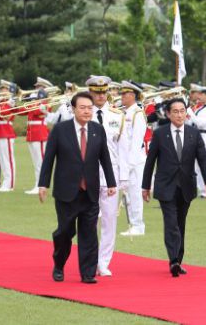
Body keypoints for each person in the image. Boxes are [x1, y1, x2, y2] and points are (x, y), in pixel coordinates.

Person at [38, 91, 117, 284]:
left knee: (89, 232)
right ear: (73, 109)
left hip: (90, 191)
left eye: (90, 108)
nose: (87, 111)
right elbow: (49, 158)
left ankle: (88, 273)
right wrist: (43, 184)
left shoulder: (98, 129)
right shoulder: (60, 130)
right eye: (82, 107)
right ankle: (59, 263)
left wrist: (111, 182)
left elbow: (105, 157)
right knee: (65, 232)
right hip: (66, 191)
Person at [142, 98, 206, 277]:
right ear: (168, 114)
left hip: (186, 185)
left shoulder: (193, 134)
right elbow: (150, 161)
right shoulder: (160, 133)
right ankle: (173, 260)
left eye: (182, 111)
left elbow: (203, 159)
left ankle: (178, 260)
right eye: (175, 111)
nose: (180, 115)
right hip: (165, 185)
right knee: (171, 222)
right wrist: (145, 186)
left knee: (180, 223)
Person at [87, 76, 130, 277]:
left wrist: (124, 178)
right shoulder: (83, 114)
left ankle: (103, 262)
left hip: (111, 174)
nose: (101, 96)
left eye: (104, 92)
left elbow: (123, 149)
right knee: (89, 219)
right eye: (97, 92)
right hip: (88, 174)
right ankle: (90, 258)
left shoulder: (117, 116)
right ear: (90, 93)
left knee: (109, 220)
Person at [119, 79, 148, 237]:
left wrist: (129, 164)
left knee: (135, 194)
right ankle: (132, 224)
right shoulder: (126, 112)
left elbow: (136, 142)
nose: (121, 96)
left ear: (133, 95)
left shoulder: (137, 113)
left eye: (124, 93)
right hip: (126, 160)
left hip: (135, 161)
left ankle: (138, 225)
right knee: (127, 194)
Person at [14, 77, 52, 195]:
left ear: (45, 89)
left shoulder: (46, 101)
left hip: (40, 133)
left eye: (39, 87)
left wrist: (31, 103)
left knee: (40, 162)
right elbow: (21, 111)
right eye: (36, 87)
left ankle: (41, 186)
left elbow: (37, 112)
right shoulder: (35, 102)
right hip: (32, 133)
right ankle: (37, 184)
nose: (36, 89)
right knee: (36, 162)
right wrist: (14, 105)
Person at [0, 80, 18, 192]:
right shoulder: (0, 102)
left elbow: (2, 113)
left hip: (6, 132)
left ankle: (10, 184)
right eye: (1, 89)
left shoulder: (11, 102)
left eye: (4, 89)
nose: (2, 91)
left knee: (8, 160)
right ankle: (6, 182)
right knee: (2, 159)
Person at [188, 85, 206, 199]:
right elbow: (191, 123)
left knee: (203, 164)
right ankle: (200, 188)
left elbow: (201, 123)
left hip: (204, 135)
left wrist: (190, 112)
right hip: (194, 136)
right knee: (193, 165)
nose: (200, 96)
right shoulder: (198, 108)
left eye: (202, 94)